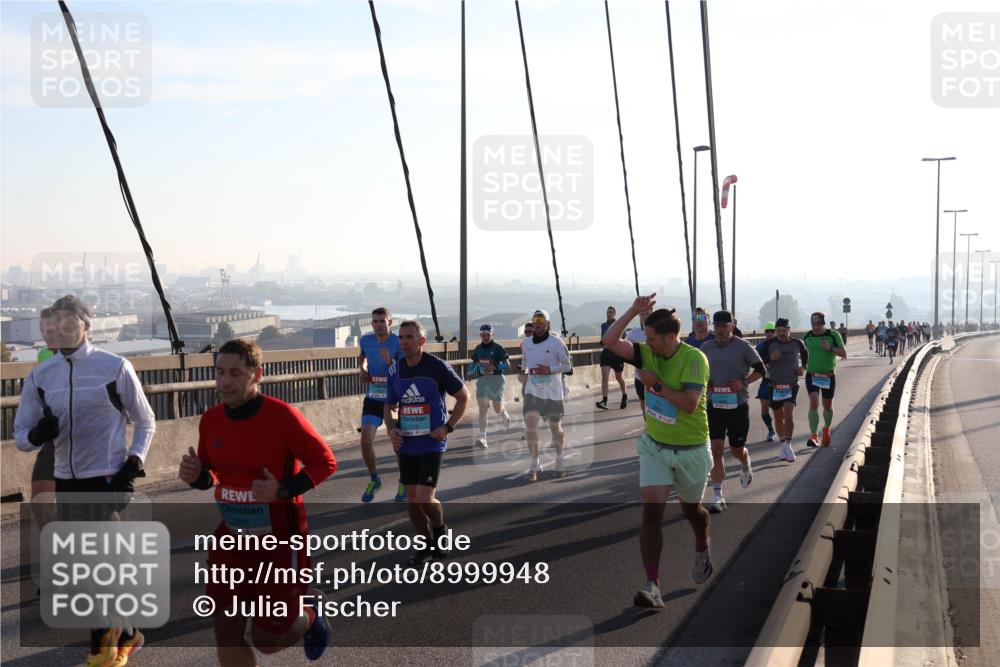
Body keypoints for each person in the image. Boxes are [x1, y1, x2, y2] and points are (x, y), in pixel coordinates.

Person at [15, 295, 156, 667]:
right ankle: (127, 632)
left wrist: (133, 465)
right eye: (55, 322)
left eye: (69, 321)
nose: (62, 329)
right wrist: (38, 433)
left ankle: (103, 650)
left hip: (108, 479)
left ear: (86, 325)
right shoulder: (41, 376)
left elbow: (146, 421)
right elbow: (20, 436)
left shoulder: (114, 367)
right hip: (67, 481)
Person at [179, 338, 337, 665]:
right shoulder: (211, 420)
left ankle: (310, 615)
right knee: (226, 632)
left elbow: (325, 462)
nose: (224, 381)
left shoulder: (283, 417)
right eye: (219, 372)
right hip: (231, 540)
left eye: (235, 373)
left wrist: (282, 490)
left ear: (257, 375)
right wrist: (196, 476)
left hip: (280, 539)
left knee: (267, 640)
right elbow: (213, 475)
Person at [601, 294, 713, 609]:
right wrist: (633, 310)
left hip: (691, 449)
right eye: (645, 337)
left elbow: (690, 405)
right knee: (651, 513)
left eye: (651, 338)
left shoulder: (694, 359)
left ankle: (702, 544)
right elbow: (609, 341)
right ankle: (653, 585)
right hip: (655, 447)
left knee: (693, 512)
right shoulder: (645, 354)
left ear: (670, 337)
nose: (646, 343)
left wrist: (657, 386)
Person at [384, 320, 469, 566]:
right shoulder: (395, 371)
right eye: (401, 337)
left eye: (410, 337)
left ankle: (440, 528)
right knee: (412, 497)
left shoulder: (438, 367)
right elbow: (388, 405)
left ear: (421, 341)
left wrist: (448, 427)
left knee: (424, 496)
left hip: (432, 441)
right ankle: (425, 543)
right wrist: (391, 430)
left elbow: (463, 397)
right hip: (407, 443)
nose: (404, 342)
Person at [699, 311, 766, 513]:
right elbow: (697, 371)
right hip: (715, 406)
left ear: (732, 325)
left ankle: (745, 463)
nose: (719, 330)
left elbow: (761, 370)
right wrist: (705, 382)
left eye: (724, 326)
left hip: (737, 406)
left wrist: (743, 382)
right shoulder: (706, 347)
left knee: (737, 450)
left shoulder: (743, 346)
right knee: (716, 450)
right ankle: (718, 496)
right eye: (716, 326)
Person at [357, 307, 404, 503]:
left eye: (382, 321)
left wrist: (390, 361)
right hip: (373, 397)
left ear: (389, 323)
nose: (378, 325)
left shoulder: (397, 342)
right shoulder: (366, 340)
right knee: (366, 441)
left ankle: (404, 481)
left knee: (397, 444)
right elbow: (362, 357)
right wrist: (362, 369)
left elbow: (405, 368)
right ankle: (375, 479)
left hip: (392, 398)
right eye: (375, 321)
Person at [520, 310, 572, 481]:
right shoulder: (526, 342)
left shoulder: (556, 342)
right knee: (530, 422)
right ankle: (535, 463)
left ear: (548, 323)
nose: (538, 322)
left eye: (541, 319)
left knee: (555, 427)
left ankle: (559, 460)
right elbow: (525, 363)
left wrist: (548, 370)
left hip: (552, 393)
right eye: (535, 319)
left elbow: (567, 366)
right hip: (533, 391)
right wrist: (523, 373)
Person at [759, 318, 808, 462]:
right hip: (774, 386)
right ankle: (783, 445)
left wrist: (803, 368)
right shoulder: (769, 344)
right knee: (778, 417)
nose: (781, 333)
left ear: (789, 330)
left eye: (784, 331)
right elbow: (759, 362)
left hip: (791, 385)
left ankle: (788, 444)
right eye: (778, 331)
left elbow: (806, 355)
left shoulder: (797, 343)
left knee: (789, 414)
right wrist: (770, 359)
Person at [803, 312, 847, 448]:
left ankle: (826, 429)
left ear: (823, 323)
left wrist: (831, 348)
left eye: (818, 324)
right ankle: (814, 436)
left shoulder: (833, 334)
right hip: (812, 375)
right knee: (814, 402)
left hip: (828, 376)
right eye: (813, 324)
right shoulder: (808, 336)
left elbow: (843, 353)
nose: (815, 327)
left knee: (827, 406)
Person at [469, 324, 512, 448]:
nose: (486, 337)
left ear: (492, 334)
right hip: (482, 380)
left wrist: (495, 367)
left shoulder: (498, 348)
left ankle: (503, 413)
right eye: (484, 335)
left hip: (497, 380)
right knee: (483, 408)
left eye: (488, 335)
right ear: (481, 335)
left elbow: (507, 365)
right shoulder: (477, 349)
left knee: (497, 408)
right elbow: (474, 363)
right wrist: (470, 371)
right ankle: (483, 437)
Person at [596, 306, 628, 410]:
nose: (608, 314)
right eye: (607, 312)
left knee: (619, 377)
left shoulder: (619, 324)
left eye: (610, 312)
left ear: (614, 313)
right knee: (605, 377)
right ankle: (604, 400)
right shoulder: (603, 325)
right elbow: (603, 338)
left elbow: (624, 338)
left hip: (617, 353)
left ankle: (624, 395)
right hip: (606, 352)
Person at [755, 322, 779, 442]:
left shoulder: (781, 344)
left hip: (781, 381)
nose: (769, 333)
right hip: (766, 380)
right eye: (767, 331)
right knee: (764, 408)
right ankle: (771, 431)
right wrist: (769, 360)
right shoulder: (760, 346)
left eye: (772, 331)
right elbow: (755, 364)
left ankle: (782, 430)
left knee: (779, 409)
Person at [625, 310, 650, 419]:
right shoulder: (633, 333)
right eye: (642, 314)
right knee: (643, 403)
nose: (644, 316)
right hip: (640, 377)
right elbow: (624, 347)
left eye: (647, 313)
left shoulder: (659, 331)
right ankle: (647, 426)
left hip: (657, 376)